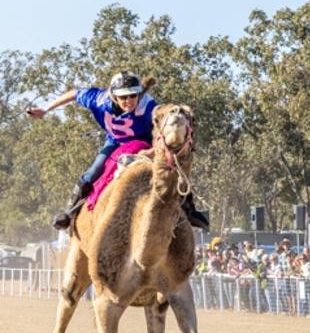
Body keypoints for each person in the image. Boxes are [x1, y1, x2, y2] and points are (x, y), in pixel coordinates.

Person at [26, 70, 209, 231]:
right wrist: (46, 109)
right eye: (123, 97)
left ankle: (189, 209)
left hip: (146, 143)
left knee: (173, 168)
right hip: (115, 142)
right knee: (93, 171)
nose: (128, 101)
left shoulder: (148, 106)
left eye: (132, 96)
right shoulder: (98, 100)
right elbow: (74, 94)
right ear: (114, 96)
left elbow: (164, 117)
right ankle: (70, 211)